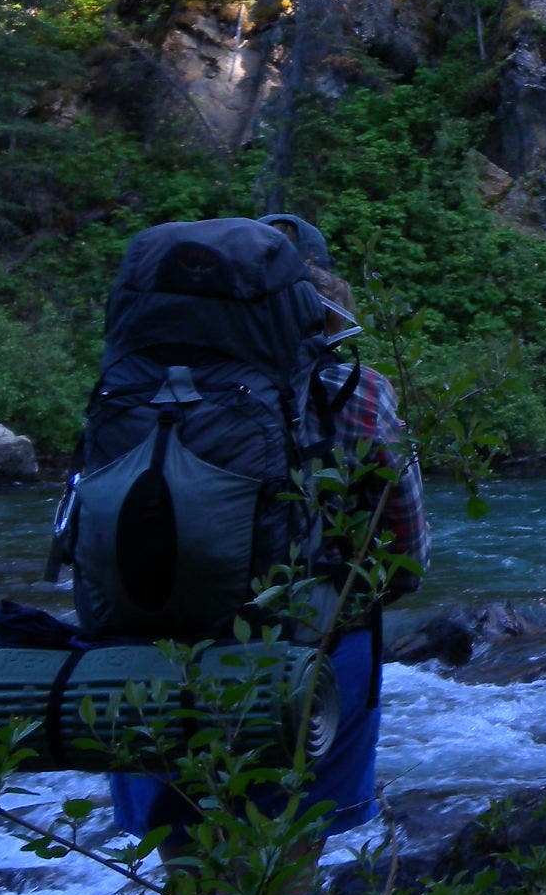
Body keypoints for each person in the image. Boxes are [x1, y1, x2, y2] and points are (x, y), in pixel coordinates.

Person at [106, 215, 426, 849]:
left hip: (148, 648)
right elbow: (407, 553)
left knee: (185, 850)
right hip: (308, 657)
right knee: (285, 851)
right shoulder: (355, 391)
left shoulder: (131, 389)